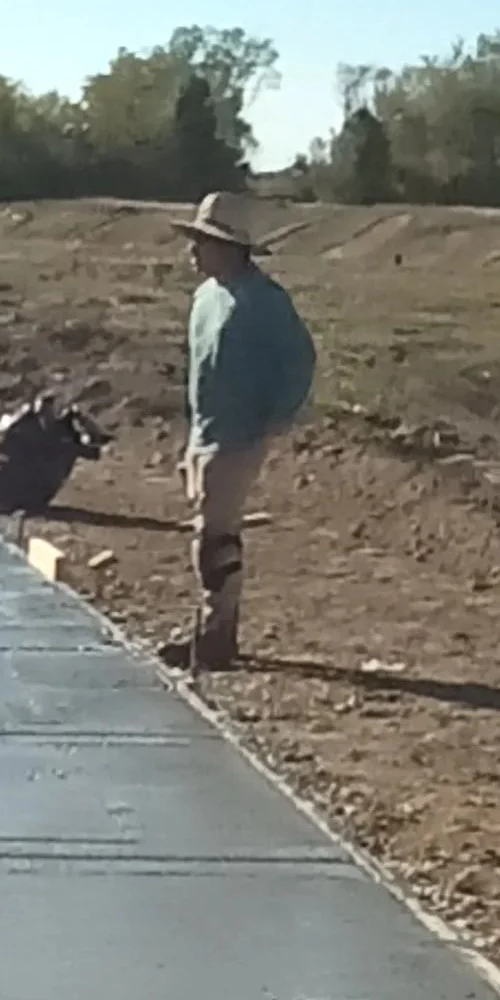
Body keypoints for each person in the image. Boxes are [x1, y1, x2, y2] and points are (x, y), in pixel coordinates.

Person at [160, 190, 317, 671]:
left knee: (215, 531)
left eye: (204, 242)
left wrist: (276, 417)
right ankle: (213, 628)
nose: (194, 251)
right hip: (206, 430)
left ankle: (216, 632)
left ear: (231, 248)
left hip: (240, 432)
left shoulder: (264, 302)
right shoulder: (206, 298)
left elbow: (299, 360)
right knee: (207, 529)